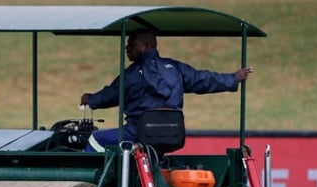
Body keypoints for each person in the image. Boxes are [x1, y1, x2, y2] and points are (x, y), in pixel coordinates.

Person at [80, 29, 253, 152]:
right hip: (172, 134)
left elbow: (110, 96)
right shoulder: (176, 68)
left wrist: (90, 99)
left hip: (138, 133)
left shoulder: (131, 75)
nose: (127, 48)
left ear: (146, 46)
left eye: (131, 44)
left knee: (95, 139)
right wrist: (233, 78)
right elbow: (203, 79)